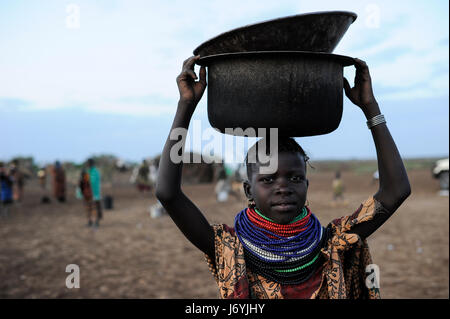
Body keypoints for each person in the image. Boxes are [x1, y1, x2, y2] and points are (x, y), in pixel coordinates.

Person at [155, 56, 411, 299]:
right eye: (268, 180)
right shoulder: (231, 249)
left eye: (295, 178)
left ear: (307, 185)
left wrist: (370, 107)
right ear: (248, 190)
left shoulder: (332, 244)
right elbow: (168, 194)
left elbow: (396, 190)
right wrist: (185, 106)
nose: (283, 188)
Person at [87, 158, 102, 223]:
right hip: (89, 193)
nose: (88, 165)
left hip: (95, 193)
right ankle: (90, 220)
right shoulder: (88, 171)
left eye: (89, 163)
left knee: (95, 207)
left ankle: (96, 221)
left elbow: (92, 182)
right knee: (89, 207)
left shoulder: (95, 172)